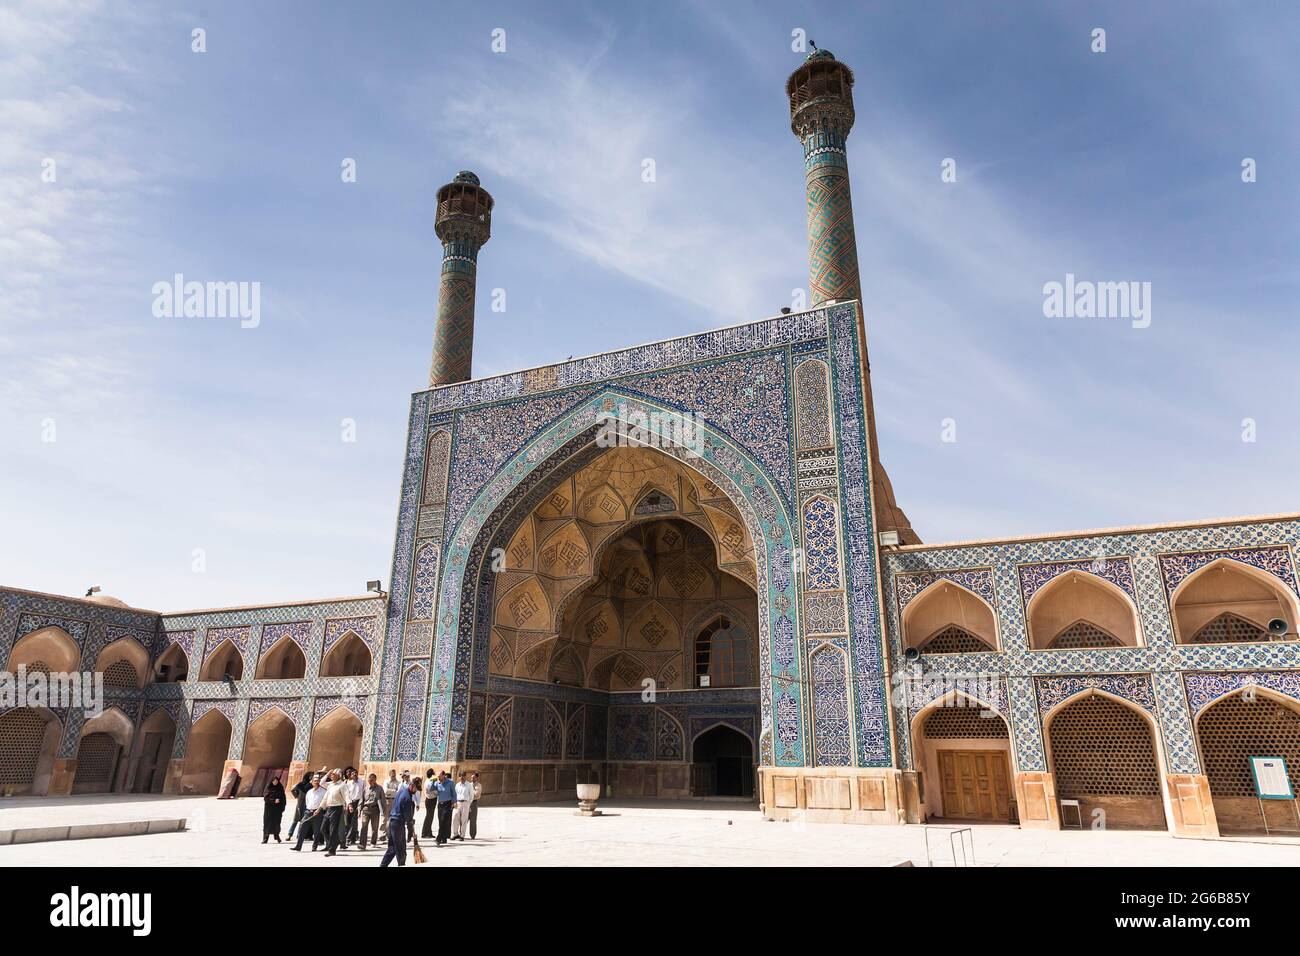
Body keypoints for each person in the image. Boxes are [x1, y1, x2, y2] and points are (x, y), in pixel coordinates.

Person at [380, 777, 418, 867]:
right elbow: (408, 817)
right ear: (412, 786)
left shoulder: (402, 791)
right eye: (416, 789)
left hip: (393, 822)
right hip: (398, 824)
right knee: (401, 849)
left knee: (392, 848)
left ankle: (382, 865)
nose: (416, 791)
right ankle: (401, 864)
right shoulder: (407, 798)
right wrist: (411, 831)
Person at [291, 774, 327, 851]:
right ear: (311, 782)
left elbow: (325, 802)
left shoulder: (323, 791)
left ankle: (314, 846)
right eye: (315, 781)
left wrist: (319, 810)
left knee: (317, 831)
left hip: (318, 812)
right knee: (302, 828)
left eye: (318, 781)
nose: (316, 782)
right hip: (308, 812)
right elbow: (307, 802)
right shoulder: (309, 792)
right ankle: (298, 846)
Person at [321, 767, 350, 856]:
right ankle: (335, 842)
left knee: (333, 829)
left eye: (333, 774)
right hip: (329, 808)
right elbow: (321, 782)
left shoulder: (342, 785)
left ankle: (332, 850)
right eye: (331, 775)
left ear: (339, 776)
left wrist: (349, 804)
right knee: (323, 828)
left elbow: (346, 796)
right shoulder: (330, 785)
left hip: (337, 808)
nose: (331, 776)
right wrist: (327, 774)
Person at [358, 772, 386, 850]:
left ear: (375, 780)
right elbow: (362, 800)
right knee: (364, 826)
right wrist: (359, 810)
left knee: (374, 827)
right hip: (366, 809)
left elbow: (383, 800)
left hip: (375, 809)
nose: (370, 782)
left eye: (371, 780)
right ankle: (362, 844)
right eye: (369, 781)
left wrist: (384, 811)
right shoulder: (366, 788)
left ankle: (373, 842)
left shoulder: (379, 789)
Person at [433, 770, 456, 846]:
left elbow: (454, 793)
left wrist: (453, 802)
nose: (439, 778)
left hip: (447, 804)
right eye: (438, 776)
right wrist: (432, 780)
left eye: (440, 776)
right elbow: (430, 789)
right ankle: (444, 838)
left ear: (444, 775)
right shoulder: (437, 783)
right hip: (440, 805)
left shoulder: (450, 783)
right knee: (441, 821)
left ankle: (438, 839)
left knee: (443, 820)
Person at [287, 770, 313, 839]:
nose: (311, 777)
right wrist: (297, 796)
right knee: (295, 820)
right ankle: (289, 834)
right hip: (299, 805)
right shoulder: (301, 784)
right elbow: (293, 790)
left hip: (307, 805)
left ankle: (299, 835)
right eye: (310, 776)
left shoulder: (311, 786)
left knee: (303, 821)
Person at [262, 776, 286, 843]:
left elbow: (284, 798)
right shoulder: (268, 788)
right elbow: (266, 798)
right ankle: (265, 838)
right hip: (269, 809)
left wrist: (282, 807)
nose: (275, 782)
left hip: (277, 809)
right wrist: (273, 801)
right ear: (271, 781)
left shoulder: (280, 788)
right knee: (267, 823)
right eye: (274, 781)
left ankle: (277, 836)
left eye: (276, 781)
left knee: (277, 823)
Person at [345, 767, 364, 847]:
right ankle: (353, 837)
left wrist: (360, 805)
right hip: (350, 803)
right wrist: (349, 805)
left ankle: (348, 839)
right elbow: (347, 795)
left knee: (353, 821)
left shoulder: (362, 782)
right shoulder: (348, 783)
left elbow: (363, 794)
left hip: (358, 802)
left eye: (355, 773)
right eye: (352, 774)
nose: (354, 775)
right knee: (348, 821)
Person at [452, 771, 473, 841]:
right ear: (459, 777)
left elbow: (471, 796)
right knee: (455, 818)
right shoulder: (457, 785)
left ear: (465, 776)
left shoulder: (469, 785)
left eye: (463, 776)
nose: (462, 777)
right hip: (458, 803)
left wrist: (468, 804)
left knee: (464, 820)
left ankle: (462, 835)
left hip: (465, 803)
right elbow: (455, 794)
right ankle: (455, 834)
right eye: (460, 776)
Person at [420, 769, 437, 840]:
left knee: (430, 817)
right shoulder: (429, 782)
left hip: (431, 800)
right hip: (430, 800)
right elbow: (432, 790)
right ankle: (424, 833)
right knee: (428, 817)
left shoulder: (430, 781)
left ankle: (429, 832)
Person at [468, 771, 482, 840]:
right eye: (471, 777)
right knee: (464, 819)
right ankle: (461, 834)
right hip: (467, 803)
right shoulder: (469, 785)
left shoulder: (478, 785)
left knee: (473, 820)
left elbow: (476, 795)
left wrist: (470, 793)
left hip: (473, 803)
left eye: (473, 777)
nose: (472, 779)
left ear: (476, 778)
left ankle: (472, 835)